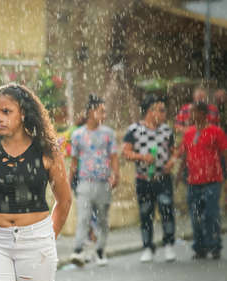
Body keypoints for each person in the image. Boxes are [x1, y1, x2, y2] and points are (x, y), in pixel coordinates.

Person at [0, 83, 72, 281]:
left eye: (6, 112)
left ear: (23, 113)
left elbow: (64, 201)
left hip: (37, 240)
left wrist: (44, 236)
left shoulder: (47, 151)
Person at [122, 94, 177, 263]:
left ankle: (169, 244)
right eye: (161, 110)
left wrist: (171, 161)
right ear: (150, 111)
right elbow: (126, 152)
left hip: (163, 178)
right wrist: (142, 157)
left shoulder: (167, 130)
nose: (164, 114)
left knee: (167, 211)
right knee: (146, 213)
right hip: (144, 179)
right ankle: (147, 247)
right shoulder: (134, 130)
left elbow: (175, 151)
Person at [69, 95, 119, 267]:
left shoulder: (108, 134)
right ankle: (78, 249)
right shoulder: (77, 135)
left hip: (103, 182)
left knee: (103, 219)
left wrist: (116, 174)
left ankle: (100, 250)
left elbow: (113, 156)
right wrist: (70, 181)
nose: (104, 114)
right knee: (83, 217)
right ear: (91, 112)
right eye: (101, 111)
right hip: (84, 182)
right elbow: (74, 160)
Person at [177, 101, 227, 259]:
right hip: (193, 181)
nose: (190, 115)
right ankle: (200, 247)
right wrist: (179, 174)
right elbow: (185, 154)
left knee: (211, 214)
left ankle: (215, 246)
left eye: (193, 112)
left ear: (203, 114)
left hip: (213, 180)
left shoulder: (216, 132)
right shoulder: (188, 133)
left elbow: (224, 153)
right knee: (195, 216)